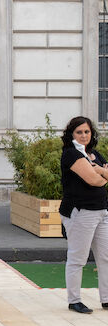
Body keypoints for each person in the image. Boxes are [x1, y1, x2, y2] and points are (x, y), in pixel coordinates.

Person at [59, 116, 108, 314]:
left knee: (106, 257)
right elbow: (93, 181)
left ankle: (106, 299)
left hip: (102, 211)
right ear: (72, 134)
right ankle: (74, 300)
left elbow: (99, 175)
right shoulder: (71, 154)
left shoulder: (93, 154)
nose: (84, 135)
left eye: (87, 131)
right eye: (79, 132)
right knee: (78, 258)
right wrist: (101, 173)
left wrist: (99, 170)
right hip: (80, 212)